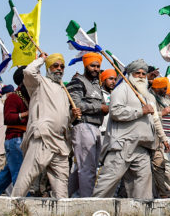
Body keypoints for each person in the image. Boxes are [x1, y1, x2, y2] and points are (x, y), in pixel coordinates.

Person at [92, 59, 169, 199]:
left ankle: (139, 212)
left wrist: (163, 138)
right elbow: (115, 111)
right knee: (107, 183)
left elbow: (155, 120)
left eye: (143, 74)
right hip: (123, 145)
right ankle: (93, 211)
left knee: (143, 187)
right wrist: (140, 111)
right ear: (130, 74)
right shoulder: (121, 90)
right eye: (137, 73)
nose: (140, 76)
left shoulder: (149, 96)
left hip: (143, 147)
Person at [11, 53, 81, 198]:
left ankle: (63, 212)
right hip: (43, 137)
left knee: (61, 182)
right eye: (55, 65)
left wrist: (72, 114)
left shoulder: (63, 89)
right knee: (27, 177)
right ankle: (12, 207)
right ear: (48, 67)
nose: (59, 69)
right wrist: (42, 59)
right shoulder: (39, 83)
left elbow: (63, 120)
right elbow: (29, 72)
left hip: (60, 143)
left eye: (62, 66)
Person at [67, 52, 107, 197]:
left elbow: (103, 105)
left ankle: (64, 197)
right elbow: (76, 105)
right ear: (85, 65)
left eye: (98, 66)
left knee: (84, 168)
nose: (96, 69)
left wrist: (103, 108)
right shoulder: (77, 82)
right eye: (93, 66)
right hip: (83, 126)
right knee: (87, 169)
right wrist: (100, 108)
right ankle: (88, 202)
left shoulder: (96, 85)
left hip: (96, 128)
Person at [0, 68, 29, 196]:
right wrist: (26, 114)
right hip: (15, 139)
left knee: (8, 173)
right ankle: (23, 200)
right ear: (23, 81)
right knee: (19, 173)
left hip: (24, 139)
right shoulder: (13, 98)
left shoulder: (30, 97)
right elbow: (8, 118)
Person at [151, 77, 170, 198]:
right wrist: (162, 113)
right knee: (164, 164)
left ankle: (164, 192)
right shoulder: (154, 100)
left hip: (167, 139)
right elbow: (154, 118)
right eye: (167, 90)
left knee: (164, 165)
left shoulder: (168, 104)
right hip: (158, 138)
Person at [99, 69, 117, 135]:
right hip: (101, 132)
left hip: (113, 133)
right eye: (111, 79)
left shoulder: (116, 95)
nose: (113, 82)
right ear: (103, 80)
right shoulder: (98, 93)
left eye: (115, 79)